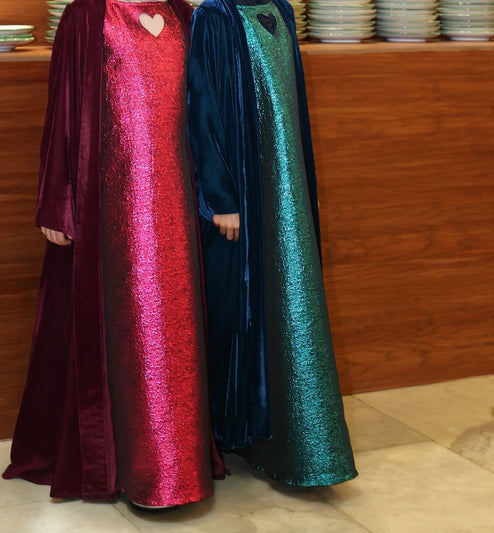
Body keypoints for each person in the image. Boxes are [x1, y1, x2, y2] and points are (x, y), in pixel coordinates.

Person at [3, 0, 224, 508]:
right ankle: (133, 469)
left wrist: (218, 195)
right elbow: (62, 111)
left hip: (176, 206)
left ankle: (180, 466)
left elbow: (203, 111)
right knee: (127, 328)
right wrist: (57, 201)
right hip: (111, 208)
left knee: (176, 327)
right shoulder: (86, 16)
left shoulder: (182, 15)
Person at [188, 0, 358, 486]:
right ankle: (245, 429)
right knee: (242, 309)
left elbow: (293, 108)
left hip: (288, 199)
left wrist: (303, 186)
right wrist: (220, 198)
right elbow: (201, 109)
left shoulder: (282, 11)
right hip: (244, 198)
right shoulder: (215, 17)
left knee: (294, 303)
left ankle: (304, 436)